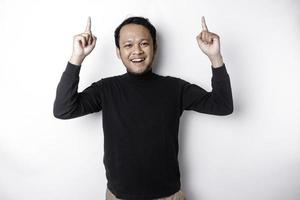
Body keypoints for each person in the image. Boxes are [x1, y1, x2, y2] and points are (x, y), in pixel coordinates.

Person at [53, 16, 233, 200]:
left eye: (144, 43)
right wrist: (77, 57)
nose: (137, 51)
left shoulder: (175, 88)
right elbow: (63, 109)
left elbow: (222, 106)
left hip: (168, 196)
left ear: (155, 47)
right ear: (118, 51)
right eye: (128, 45)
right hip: (119, 196)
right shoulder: (106, 89)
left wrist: (215, 56)